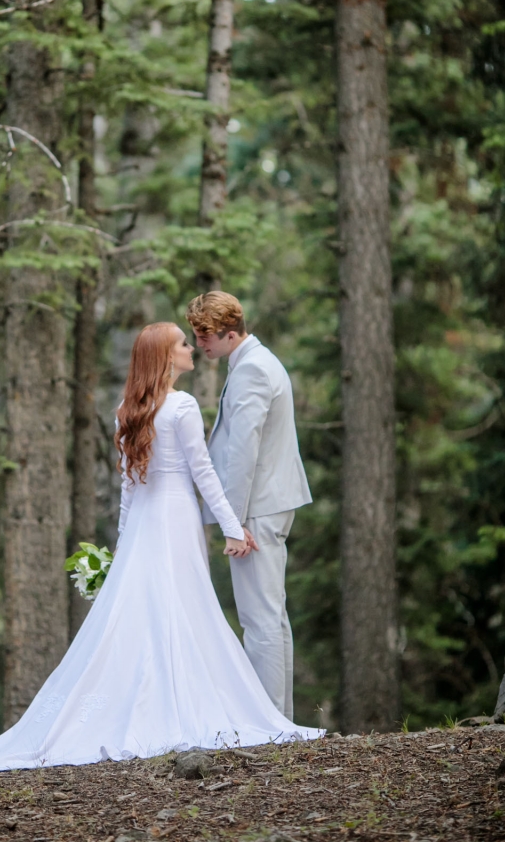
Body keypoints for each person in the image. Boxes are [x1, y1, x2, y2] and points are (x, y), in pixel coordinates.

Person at [0, 322, 320, 775]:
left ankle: (146, 702)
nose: (190, 349)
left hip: (145, 523)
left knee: (148, 613)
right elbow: (203, 475)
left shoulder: (127, 408)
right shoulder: (182, 407)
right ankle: (174, 706)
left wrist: (124, 541)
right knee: (184, 608)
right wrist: (233, 528)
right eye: (183, 344)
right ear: (165, 357)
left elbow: (129, 485)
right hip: (176, 519)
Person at [187, 292, 312, 721]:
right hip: (267, 502)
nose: (199, 344)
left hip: (257, 506)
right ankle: (278, 718)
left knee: (259, 619)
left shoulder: (253, 370)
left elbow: (244, 451)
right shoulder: (254, 362)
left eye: (204, 335)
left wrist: (233, 522)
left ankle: (268, 722)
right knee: (270, 617)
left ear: (230, 333)